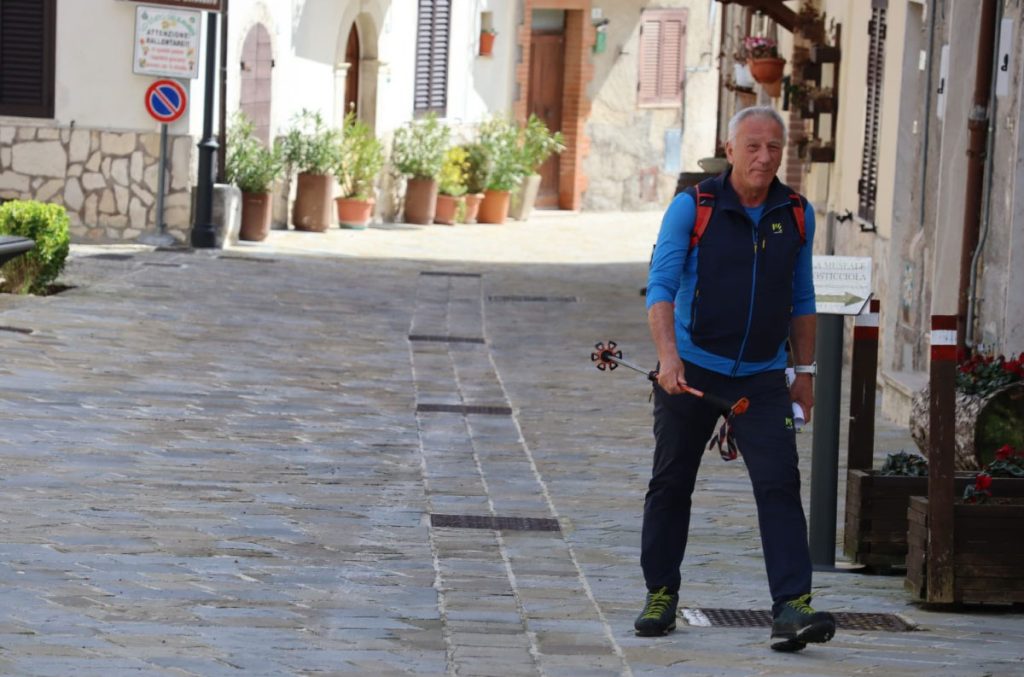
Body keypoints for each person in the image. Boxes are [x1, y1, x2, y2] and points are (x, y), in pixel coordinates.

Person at [634, 106, 835, 652]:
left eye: (774, 147)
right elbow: (661, 285)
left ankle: (792, 607)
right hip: (693, 369)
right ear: (730, 148)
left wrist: (805, 373)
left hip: (764, 376)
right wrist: (668, 358)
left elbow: (803, 297)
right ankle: (661, 594)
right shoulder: (693, 206)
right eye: (753, 146)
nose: (764, 157)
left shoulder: (796, 213)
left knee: (778, 484)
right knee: (671, 483)